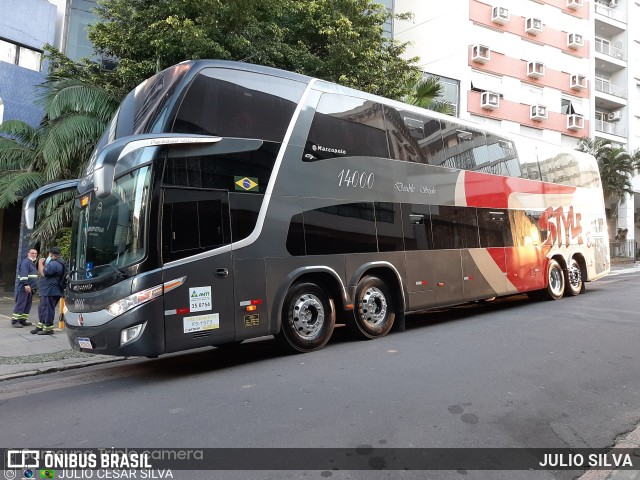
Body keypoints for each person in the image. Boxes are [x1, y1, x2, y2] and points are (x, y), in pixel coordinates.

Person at [31, 247, 66, 336]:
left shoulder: (55, 264)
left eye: (49, 254)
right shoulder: (56, 263)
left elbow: (43, 272)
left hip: (51, 291)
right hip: (49, 290)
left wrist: (40, 263)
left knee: (48, 309)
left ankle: (48, 328)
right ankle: (40, 326)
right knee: (42, 308)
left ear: (51, 254)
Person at [11, 248, 39, 328]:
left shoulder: (31, 263)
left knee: (27, 305)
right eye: (32, 253)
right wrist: (26, 284)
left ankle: (22, 320)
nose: (34, 255)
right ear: (28, 254)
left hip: (30, 288)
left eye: (35, 253)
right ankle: (15, 321)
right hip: (25, 288)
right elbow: (23, 274)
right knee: (21, 304)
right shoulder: (26, 262)